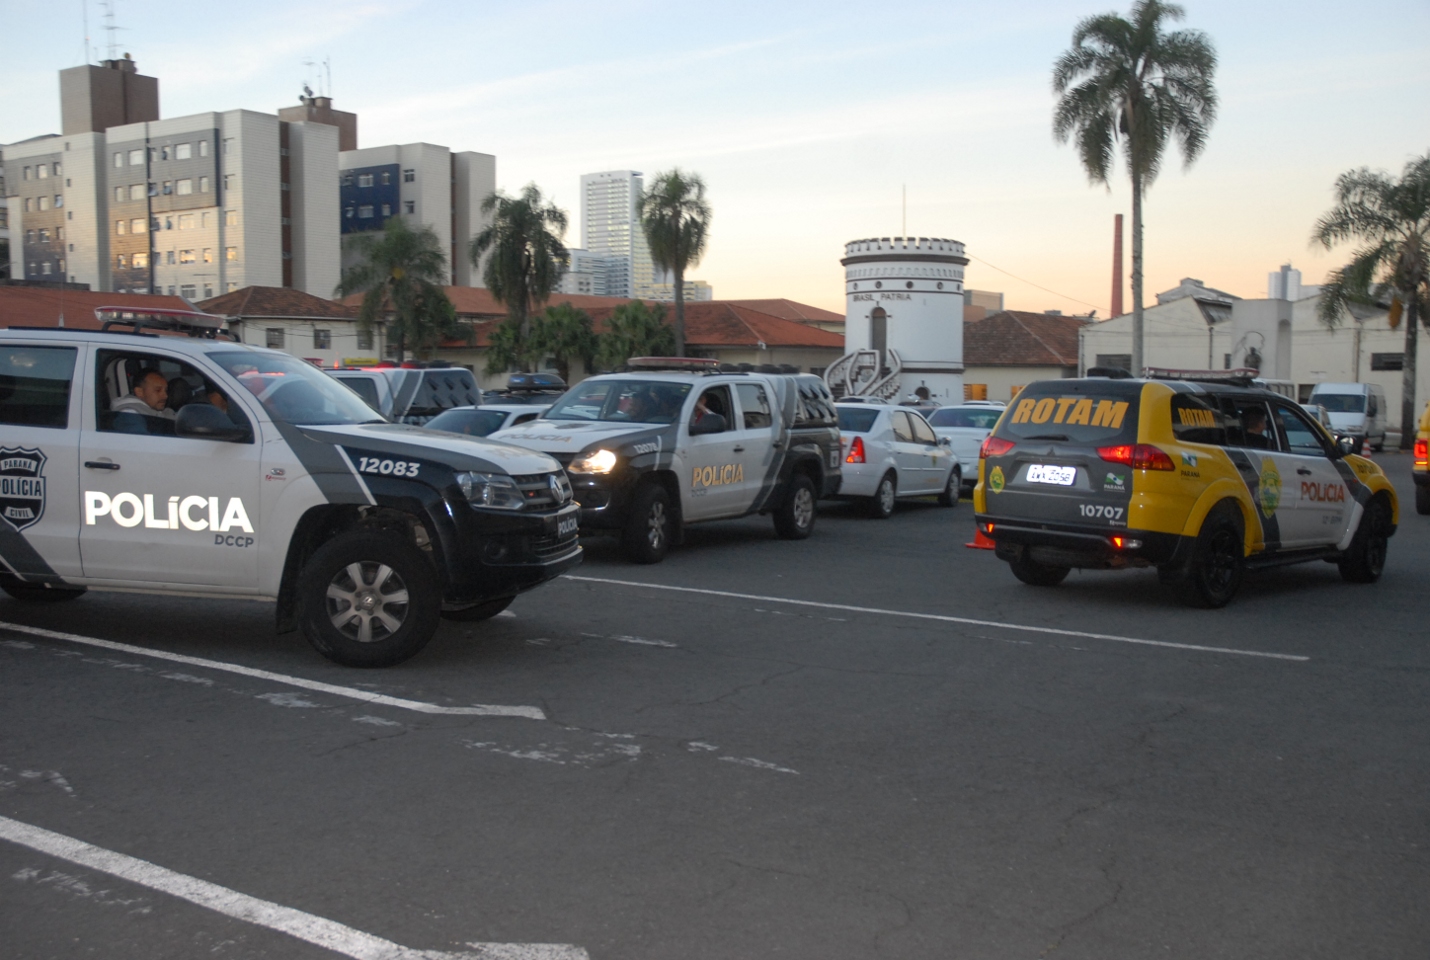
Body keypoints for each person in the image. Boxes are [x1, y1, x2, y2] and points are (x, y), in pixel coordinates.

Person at [112, 369, 176, 420]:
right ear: (139, 392)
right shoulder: (130, 414)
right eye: (158, 390)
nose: (165, 396)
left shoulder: (164, 411)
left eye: (166, 390)